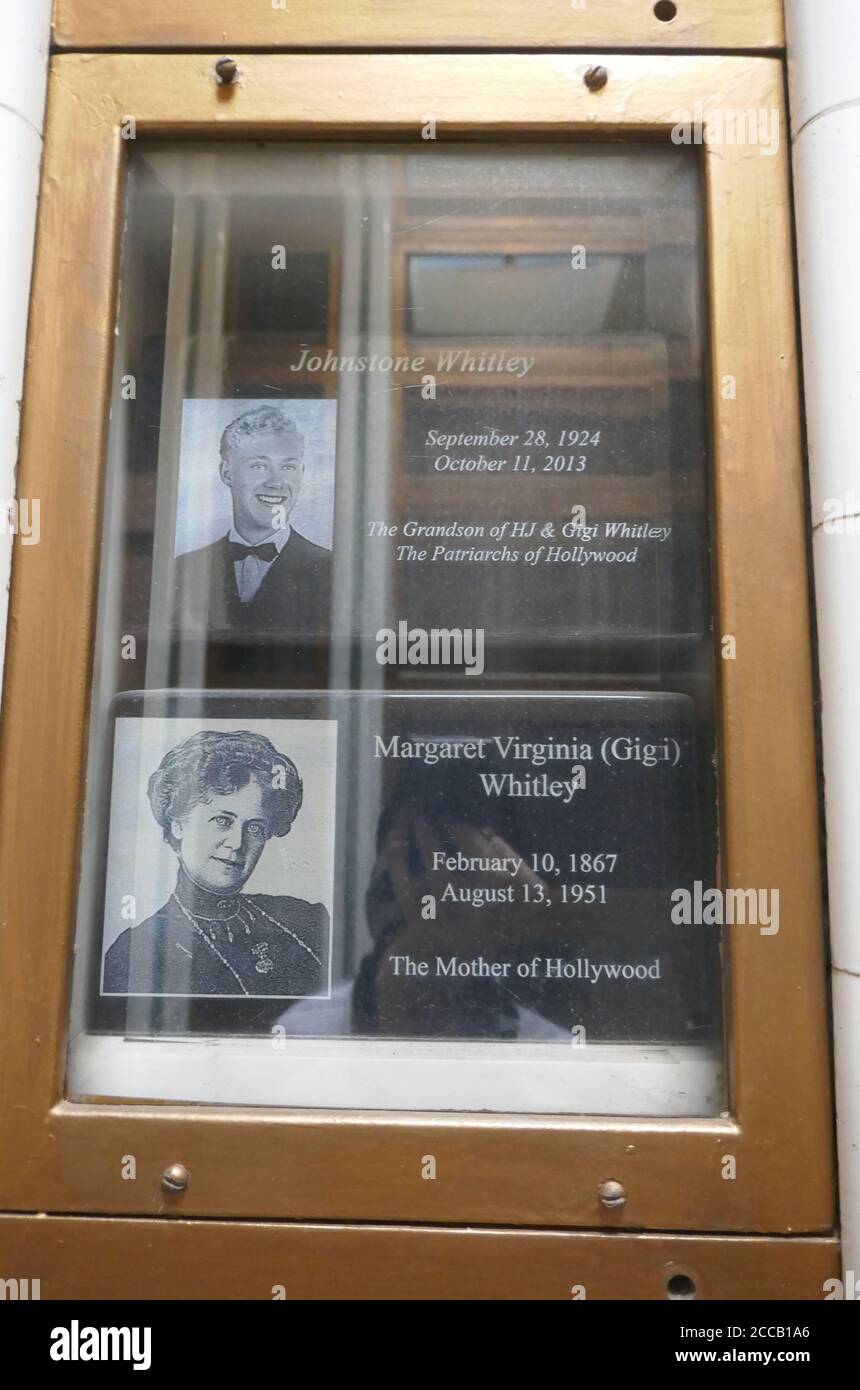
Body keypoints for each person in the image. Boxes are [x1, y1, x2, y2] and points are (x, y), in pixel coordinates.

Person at [103, 729, 329, 997]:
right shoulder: (136, 951)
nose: (237, 843)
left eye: (255, 828)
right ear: (178, 823)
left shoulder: (305, 921)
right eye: (222, 821)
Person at [172, 405, 331, 641]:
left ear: (302, 473)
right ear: (227, 473)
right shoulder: (181, 570)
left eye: (288, 466)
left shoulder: (333, 569)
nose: (277, 482)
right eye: (259, 465)